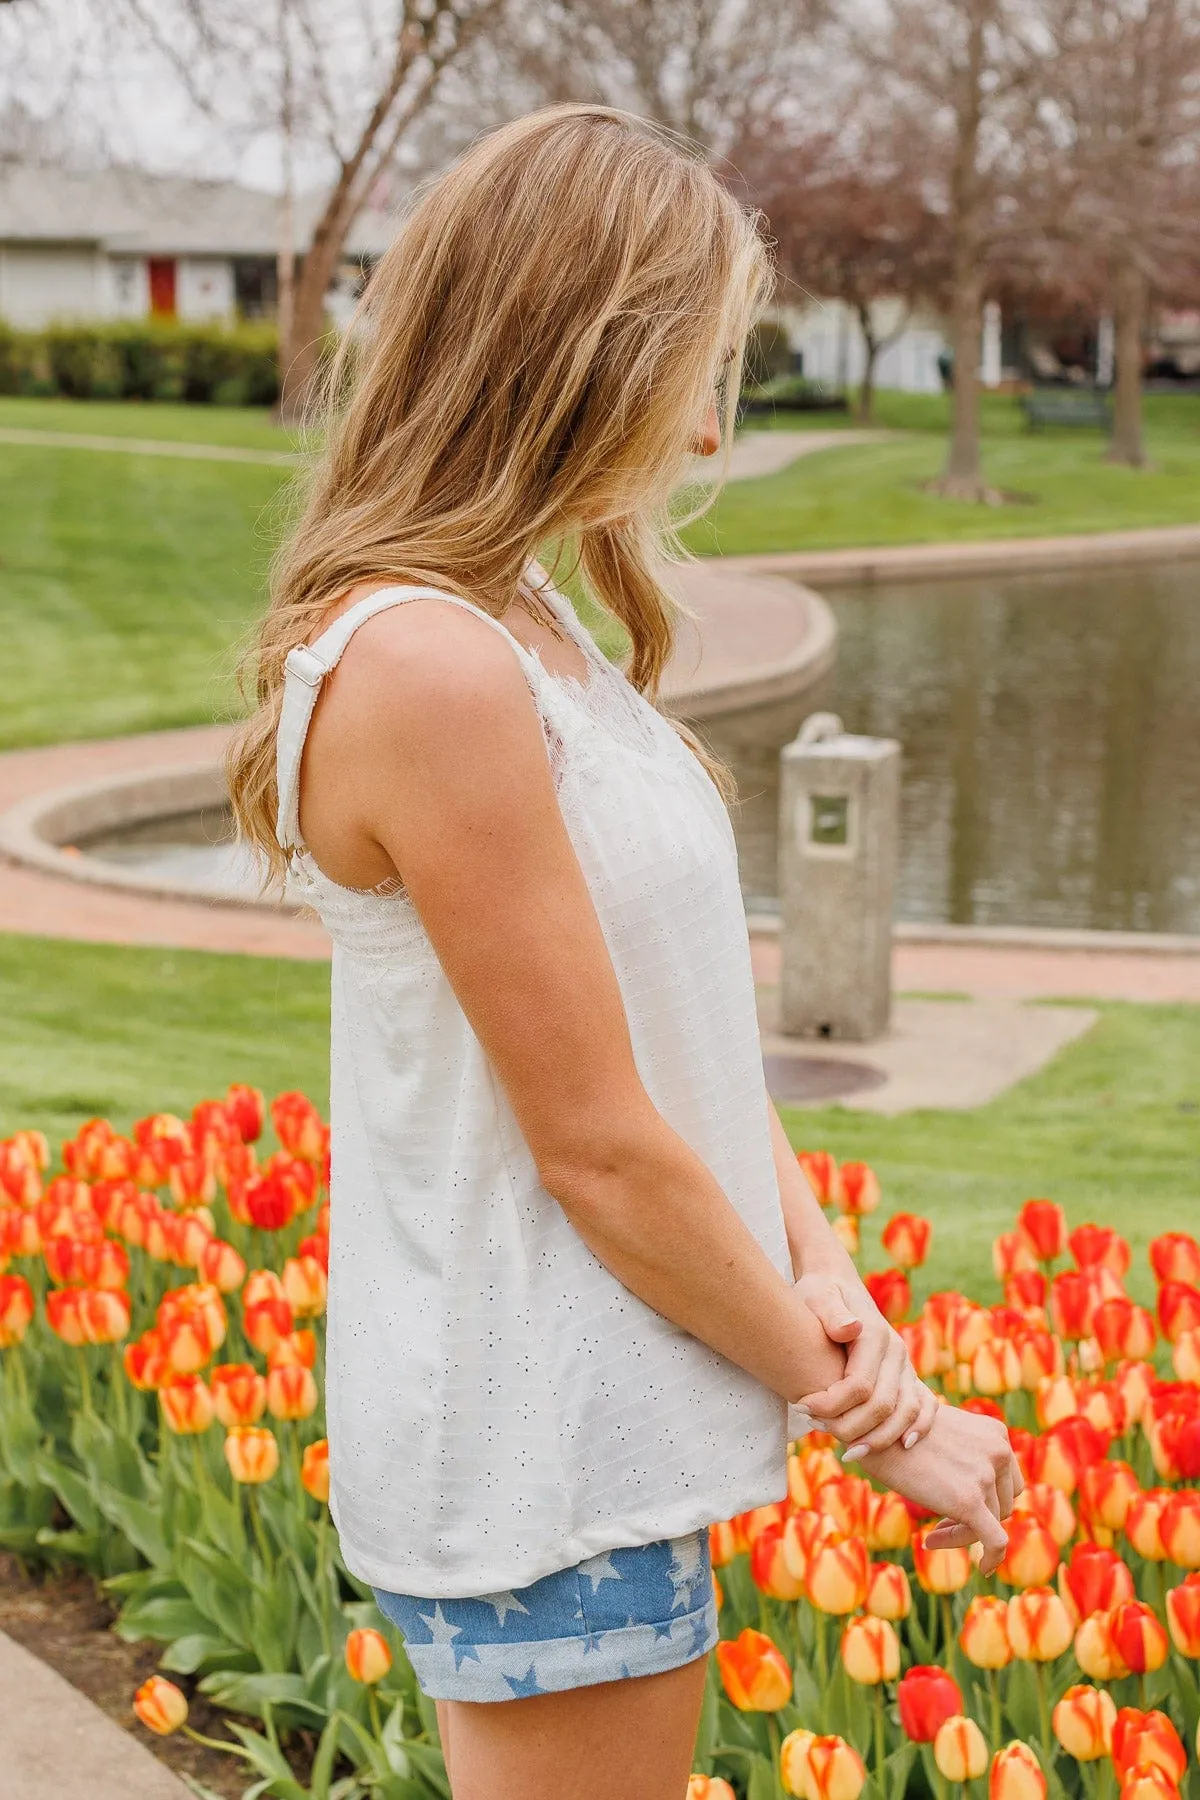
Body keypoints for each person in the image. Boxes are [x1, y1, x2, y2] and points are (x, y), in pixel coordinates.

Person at [228, 104, 1021, 1800]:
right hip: (549, 1457)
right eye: (699, 364)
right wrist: (882, 1417)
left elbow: (678, 1049)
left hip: (619, 1417)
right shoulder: (432, 666)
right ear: (589, 353)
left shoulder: (530, 618)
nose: (713, 421)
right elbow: (594, 1142)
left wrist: (829, 1279)